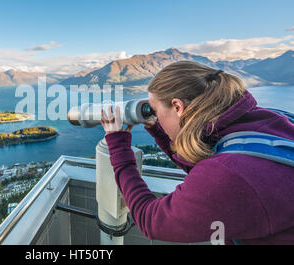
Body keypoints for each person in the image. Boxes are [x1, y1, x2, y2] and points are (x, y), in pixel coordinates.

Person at [100, 61, 294, 245]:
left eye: (156, 111)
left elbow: (150, 220)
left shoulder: (229, 174)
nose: (155, 117)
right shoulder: (270, 120)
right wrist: (158, 129)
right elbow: (207, 166)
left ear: (177, 107)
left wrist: (118, 148)